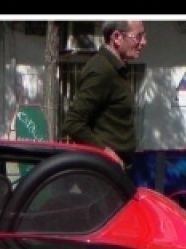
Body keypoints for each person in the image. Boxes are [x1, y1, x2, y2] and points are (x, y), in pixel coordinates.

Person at [61, 20, 147, 169]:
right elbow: (73, 123)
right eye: (138, 37)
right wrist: (105, 152)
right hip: (103, 171)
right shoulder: (101, 70)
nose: (144, 42)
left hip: (116, 169)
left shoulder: (117, 69)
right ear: (117, 37)